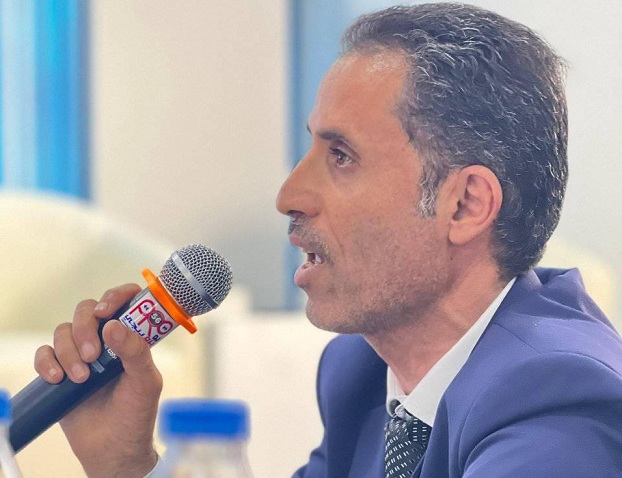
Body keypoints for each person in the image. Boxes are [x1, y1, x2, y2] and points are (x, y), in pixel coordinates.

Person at [34, 3, 622, 477]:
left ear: (465, 204)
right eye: (311, 148)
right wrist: (124, 467)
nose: (288, 194)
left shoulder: (556, 404)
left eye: (341, 156)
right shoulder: (361, 374)